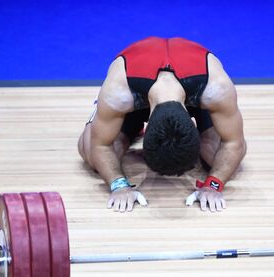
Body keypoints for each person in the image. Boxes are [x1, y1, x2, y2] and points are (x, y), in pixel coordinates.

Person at [77, 36, 246, 213]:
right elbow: (100, 145)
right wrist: (119, 185)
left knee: (219, 153)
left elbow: (234, 143)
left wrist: (213, 185)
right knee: (89, 151)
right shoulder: (118, 93)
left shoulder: (216, 89)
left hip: (197, 95)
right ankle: (110, 116)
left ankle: (180, 139)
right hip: (132, 99)